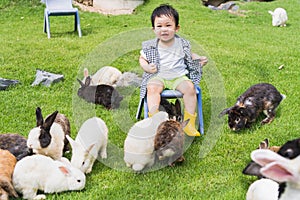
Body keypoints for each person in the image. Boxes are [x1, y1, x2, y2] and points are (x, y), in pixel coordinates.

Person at [139, 4, 208, 137]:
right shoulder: (151, 46)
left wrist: (199, 58)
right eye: (159, 26)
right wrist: (146, 67)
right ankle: (154, 121)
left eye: (168, 25)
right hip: (158, 76)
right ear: (153, 29)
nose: (163, 29)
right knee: (152, 88)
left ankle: (189, 124)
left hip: (178, 76)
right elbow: (142, 59)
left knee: (190, 88)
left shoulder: (182, 44)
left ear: (176, 28)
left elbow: (190, 55)